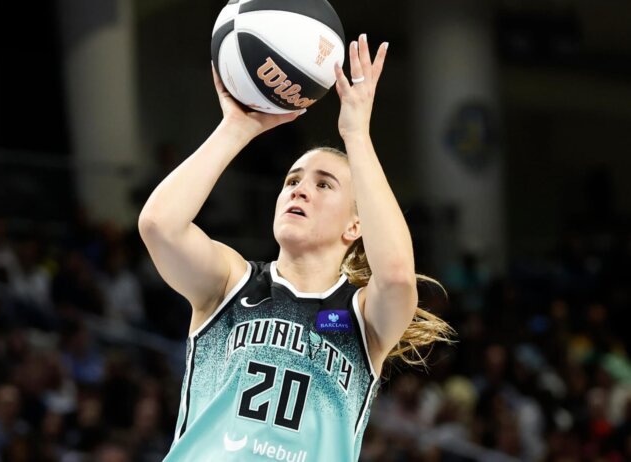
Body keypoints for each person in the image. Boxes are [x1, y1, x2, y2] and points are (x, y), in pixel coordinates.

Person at [138, 35, 454, 461]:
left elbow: (396, 275)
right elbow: (159, 226)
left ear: (355, 225)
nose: (299, 191)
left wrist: (357, 135)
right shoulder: (232, 283)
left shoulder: (357, 319)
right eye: (292, 181)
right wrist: (237, 126)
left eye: (323, 184)